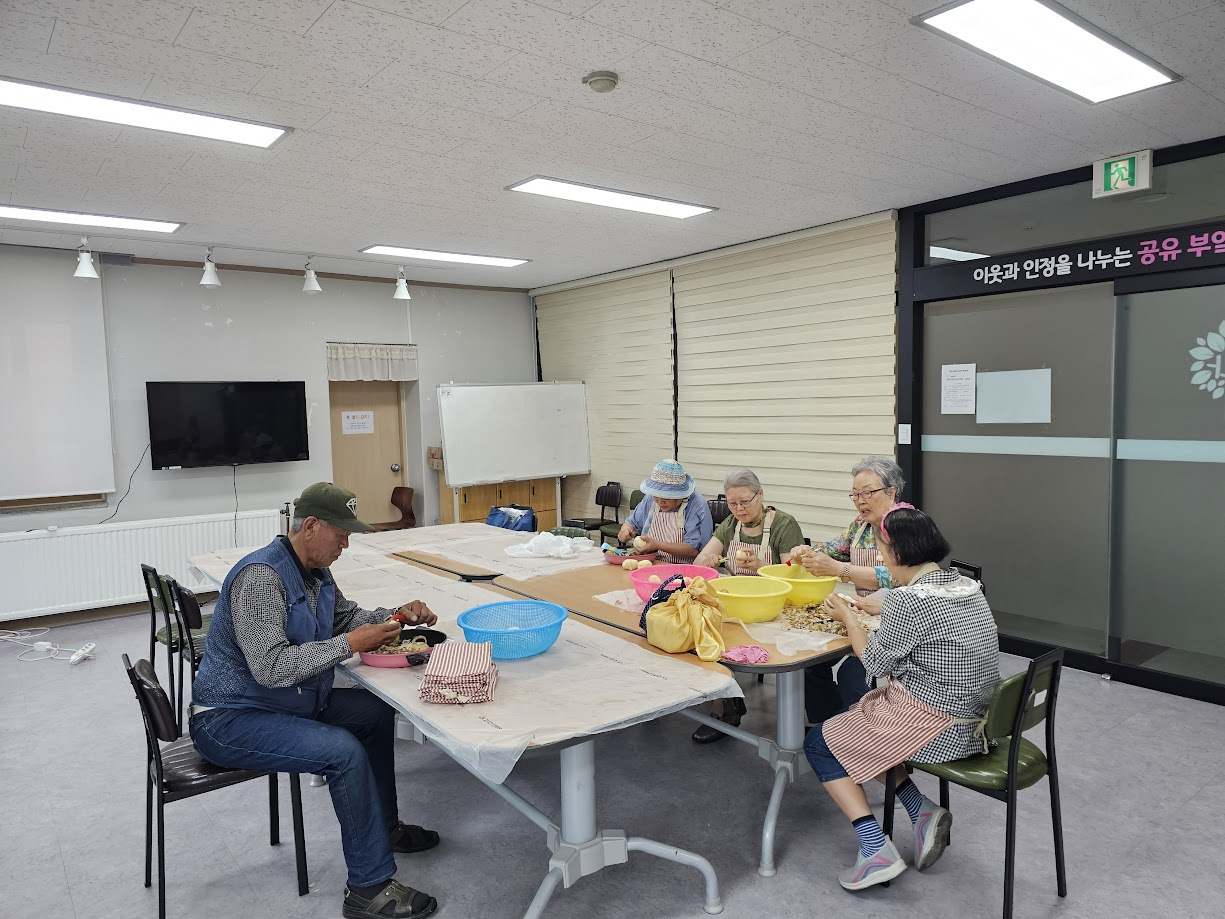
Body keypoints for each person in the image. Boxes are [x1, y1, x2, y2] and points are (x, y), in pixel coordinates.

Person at [190, 483, 442, 919]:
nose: (346, 544)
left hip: (287, 701)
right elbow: (270, 667)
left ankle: (382, 829)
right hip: (230, 717)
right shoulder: (261, 578)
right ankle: (368, 888)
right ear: (310, 527)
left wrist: (395, 616)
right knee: (342, 752)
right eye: (341, 535)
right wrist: (350, 645)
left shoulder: (316, 571)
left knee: (376, 713)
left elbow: (345, 619)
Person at [802, 506, 1000, 891]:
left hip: (940, 729)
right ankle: (921, 811)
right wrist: (881, 606)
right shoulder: (964, 585)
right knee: (859, 726)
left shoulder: (907, 601)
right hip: (975, 720)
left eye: (880, 550)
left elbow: (873, 662)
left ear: (895, 552)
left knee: (820, 744)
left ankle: (875, 849)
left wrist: (849, 619)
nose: (881, 558)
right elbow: (932, 625)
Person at [690, 468, 805, 743]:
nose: (739, 509)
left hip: (773, 607)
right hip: (737, 603)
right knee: (704, 634)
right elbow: (700, 561)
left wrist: (762, 566)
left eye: (745, 502)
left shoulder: (783, 524)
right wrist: (707, 561)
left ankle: (794, 723)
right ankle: (724, 705)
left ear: (760, 495)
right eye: (732, 503)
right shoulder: (731, 525)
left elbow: (793, 575)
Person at [793, 455, 909, 728]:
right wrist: (808, 552)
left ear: (891, 492)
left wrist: (840, 570)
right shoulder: (860, 527)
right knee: (810, 661)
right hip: (859, 614)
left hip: (895, 619)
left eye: (867, 493)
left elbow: (897, 577)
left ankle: (860, 730)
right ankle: (826, 726)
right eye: (855, 494)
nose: (860, 501)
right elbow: (831, 550)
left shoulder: (907, 525)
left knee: (853, 672)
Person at [617, 460, 713, 563]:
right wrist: (625, 530)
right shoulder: (650, 498)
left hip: (683, 567)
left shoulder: (696, 504)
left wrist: (659, 545)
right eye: (656, 496)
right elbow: (632, 523)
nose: (660, 502)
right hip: (650, 563)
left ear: (680, 495)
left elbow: (694, 550)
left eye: (666, 497)